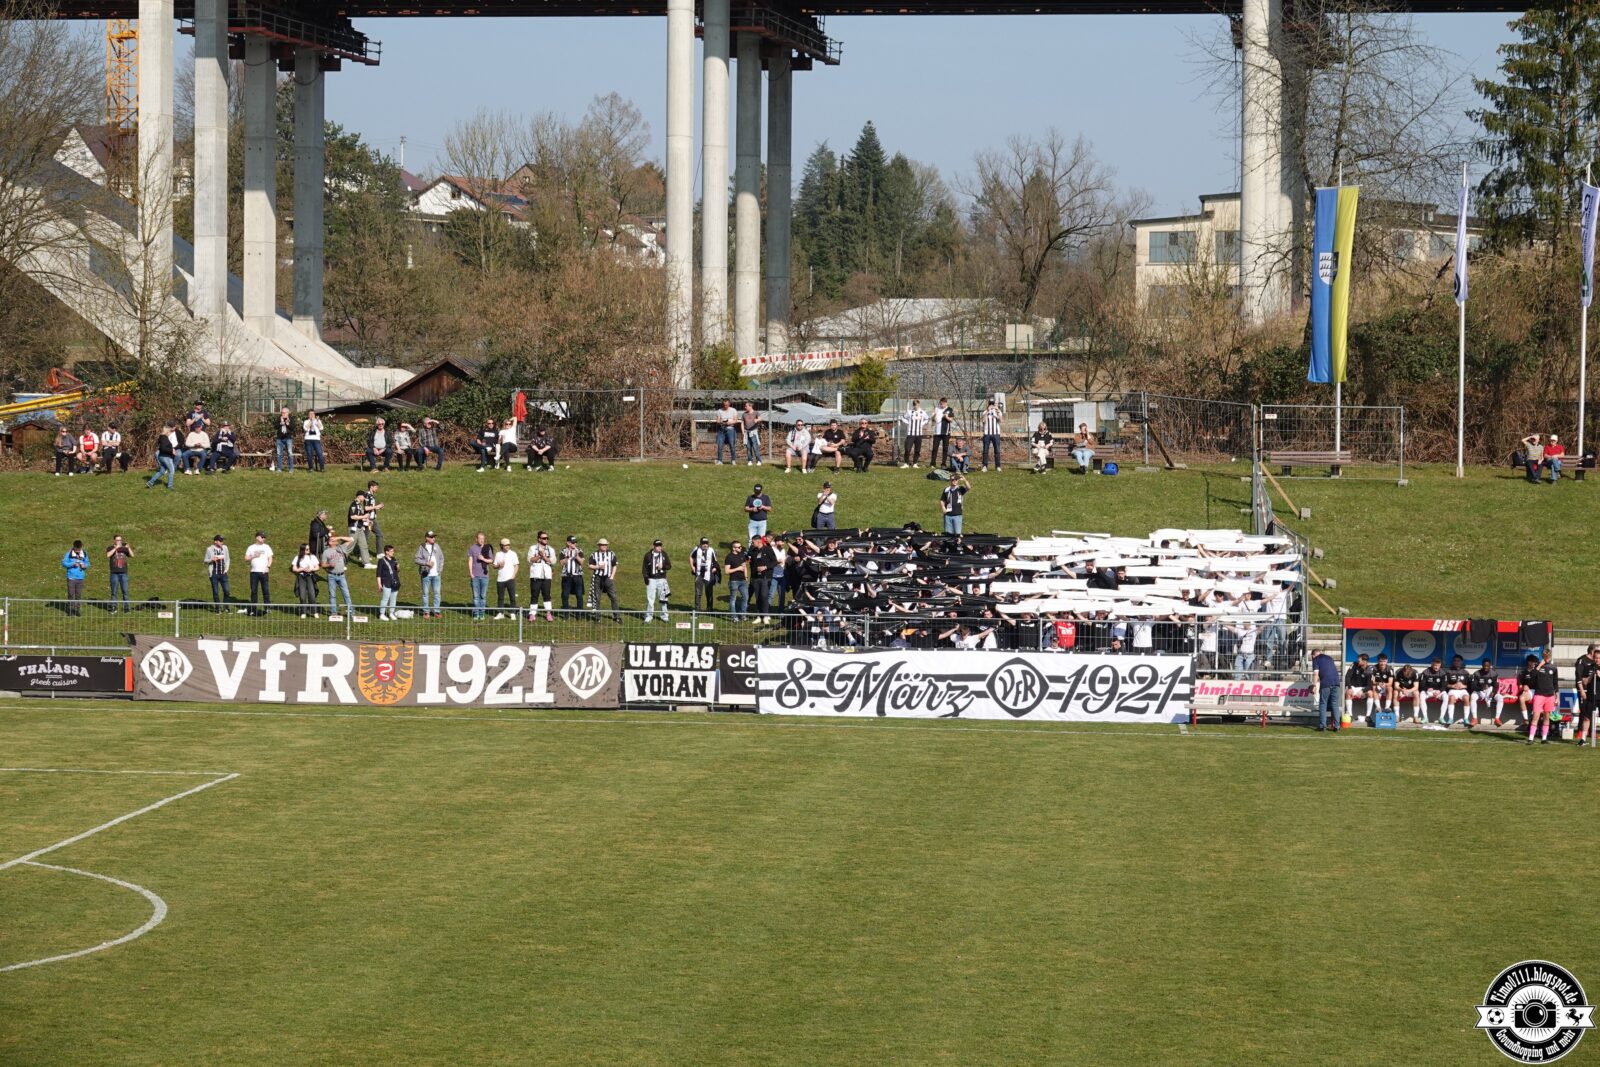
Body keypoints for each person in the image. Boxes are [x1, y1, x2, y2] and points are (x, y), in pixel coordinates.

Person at [1528, 648, 1560, 744]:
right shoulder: (1538, 666)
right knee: (1536, 716)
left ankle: (1544, 738)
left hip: (1550, 695)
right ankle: (1530, 738)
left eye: (1548, 655)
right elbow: (1531, 677)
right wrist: (1539, 666)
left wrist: (1557, 696)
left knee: (1547, 717)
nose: (1546, 657)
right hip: (1539, 694)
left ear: (1550, 656)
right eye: (1545, 655)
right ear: (1542, 656)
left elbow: (1555, 683)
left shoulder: (1553, 668)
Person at [1496, 654, 1538, 727]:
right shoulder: (1522, 673)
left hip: (1538, 691)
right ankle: (1526, 720)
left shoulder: (1538, 672)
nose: (1535, 663)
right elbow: (1520, 686)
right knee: (1521, 698)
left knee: (1540, 700)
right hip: (1528, 692)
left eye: (1535, 662)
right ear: (1529, 662)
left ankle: (1536, 721)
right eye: (1533, 662)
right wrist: (1524, 687)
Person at [321, 534, 356, 618]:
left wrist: (339, 537)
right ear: (329, 543)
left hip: (341, 575)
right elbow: (322, 564)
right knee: (332, 595)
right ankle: (334, 613)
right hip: (331, 575)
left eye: (335, 539)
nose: (335, 541)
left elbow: (351, 540)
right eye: (332, 540)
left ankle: (351, 613)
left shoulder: (341, 547)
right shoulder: (326, 552)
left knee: (346, 594)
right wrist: (329, 565)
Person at [525, 531, 556, 621]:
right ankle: (532, 614)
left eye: (547, 538)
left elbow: (553, 561)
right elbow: (530, 560)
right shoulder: (533, 548)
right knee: (534, 595)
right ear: (539, 539)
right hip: (536, 575)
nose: (546, 540)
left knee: (547, 595)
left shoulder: (551, 549)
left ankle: (549, 613)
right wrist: (539, 556)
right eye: (544, 538)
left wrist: (544, 557)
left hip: (546, 576)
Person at [589, 537, 621, 621]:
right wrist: (598, 566)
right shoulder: (594, 554)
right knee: (597, 597)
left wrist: (612, 576)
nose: (604, 546)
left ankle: (617, 616)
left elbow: (614, 565)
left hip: (608, 578)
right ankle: (597, 617)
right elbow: (590, 565)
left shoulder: (611, 553)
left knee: (613, 597)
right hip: (598, 578)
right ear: (599, 545)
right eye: (602, 545)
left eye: (605, 545)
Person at [415, 531, 444, 618]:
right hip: (426, 575)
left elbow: (442, 558)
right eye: (431, 537)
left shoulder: (437, 546)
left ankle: (437, 611)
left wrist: (440, 570)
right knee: (425, 593)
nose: (433, 538)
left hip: (436, 575)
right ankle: (426, 612)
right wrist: (426, 563)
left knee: (437, 593)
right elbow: (416, 559)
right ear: (426, 538)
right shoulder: (422, 547)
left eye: (434, 537)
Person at [244, 531, 274, 617]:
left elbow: (270, 558)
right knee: (254, 591)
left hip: (264, 572)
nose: (263, 538)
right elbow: (246, 558)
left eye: (264, 537)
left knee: (266, 590)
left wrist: (268, 567)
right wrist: (254, 556)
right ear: (257, 537)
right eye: (262, 537)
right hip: (254, 572)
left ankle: (267, 608)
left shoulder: (267, 547)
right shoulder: (251, 547)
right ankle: (253, 608)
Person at [1575, 645, 1600, 747]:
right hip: (1591, 696)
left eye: (1599, 658)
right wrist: (1590, 676)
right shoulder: (1590, 667)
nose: (1597, 660)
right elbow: (1583, 681)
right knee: (1587, 718)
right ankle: (1583, 739)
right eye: (1595, 658)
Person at [642, 538, 672, 622]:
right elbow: (644, 568)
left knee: (663, 598)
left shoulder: (664, 554)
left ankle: (664, 616)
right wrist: (646, 579)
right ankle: (649, 616)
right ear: (654, 546)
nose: (659, 548)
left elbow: (669, 566)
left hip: (662, 579)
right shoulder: (648, 555)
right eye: (657, 546)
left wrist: (663, 567)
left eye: (660, 546)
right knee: (650, 598)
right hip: (651, 579)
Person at [1312, 648, 1340, 731]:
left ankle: (1322, 726)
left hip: (1326, 684)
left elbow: (1315, 673)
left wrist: (1314, 685)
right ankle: (1337, 726)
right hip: (1336, 683)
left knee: (1323, 704)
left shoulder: (1316, 659)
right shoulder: (1329, 658)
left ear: (1313, 655)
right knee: (1335, 705)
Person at [291, 542, 321, 618]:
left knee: (312, 595)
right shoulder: (297, 557)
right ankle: (303, 612)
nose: (308, 550)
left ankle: (314, 611)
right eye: (307, 549)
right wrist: (302, 569)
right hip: (301, 577)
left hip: (310, 576)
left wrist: (311, 569)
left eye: (309, 548)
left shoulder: (312, 557)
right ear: (303, 549)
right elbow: (294, 568)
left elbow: (317, 567)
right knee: (302, 596)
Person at [690, 537, 720, 611]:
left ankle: (709, 609)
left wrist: (715, 568)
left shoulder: (711, 550)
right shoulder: (697, 549)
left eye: (706, 543)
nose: (705, 545)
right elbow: (691, 557)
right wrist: (692, 567)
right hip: (699, 574)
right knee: (698, 593)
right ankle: (697, 610)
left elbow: (715, 561)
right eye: (703, 544)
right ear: (700, 544)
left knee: (709, 592)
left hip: (708, 574)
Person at [1441, 654, 1472, 727]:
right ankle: (1450, 718)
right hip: (1453, 690)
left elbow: (1470, 685)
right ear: (1453, 662)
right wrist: (1452, 685)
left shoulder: (1465, 672)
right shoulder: (1449, 672)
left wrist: (1463, 686)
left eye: (1458, 661)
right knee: (1451, 698)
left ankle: (1466, 719)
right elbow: (1445, 684)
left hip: (1462, 690)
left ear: (1461, 662)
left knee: (1466, 698)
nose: (1456, 662)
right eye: (1455, 661)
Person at [468, 533, 494, 620]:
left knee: (483, 596)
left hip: (484, 576)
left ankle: (482, 613)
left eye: (483, 538)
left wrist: (483, 559)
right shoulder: (472, 548)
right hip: (475, 576)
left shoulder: (487, 548)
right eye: (480, 538)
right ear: (476, 539)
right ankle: (476, 613)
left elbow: (491, 560)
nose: (482, 540)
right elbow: (470, 561)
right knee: (476, 596)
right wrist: (471, 573)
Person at [492, 538, 519, 618]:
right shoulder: (498, 554)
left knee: (512, 597)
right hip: (500, 579)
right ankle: (501, 613)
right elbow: (494, 566)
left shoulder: (513, 553)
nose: (507, 546)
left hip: (510, 579)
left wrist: (513, 576)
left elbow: (516, 565)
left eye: (508, 545)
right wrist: (498, 566)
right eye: (505, 545)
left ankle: (512, 613)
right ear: (501, 546)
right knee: (500, 597)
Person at [347, 490, 375, 568]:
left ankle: (366, 563)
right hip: (354, 529)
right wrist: (364, 517)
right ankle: (340, 561)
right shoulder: (354, 505)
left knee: (364, 545)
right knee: (350, 547)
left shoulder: (359, 505)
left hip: (360, 528)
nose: (364, 498)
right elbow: (352, 517)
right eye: (363, 496)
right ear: (359, 496)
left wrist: (367, 520)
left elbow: (359, 518)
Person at [1469, 658, 1500, 727]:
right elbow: (1473, 687)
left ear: (1490, 666)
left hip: (1490, 693)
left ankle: (1497, 719)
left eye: (1487, 666)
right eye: (1484, 666)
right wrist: (1481, 688)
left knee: (1500, 698)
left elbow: (1496, 686)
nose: (1486, 667)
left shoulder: (1494, 674)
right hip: (1480, 692)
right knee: (1473, 696)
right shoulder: (1477, 673)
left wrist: (1493, 692)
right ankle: (1475, 719)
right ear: (1482, 665)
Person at [145, 423, 178, 490]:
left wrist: (171, 449)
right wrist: (171, 451)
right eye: (170, 432)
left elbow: (162, 448)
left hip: (162, 456)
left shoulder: (162, 437)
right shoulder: (164, 438)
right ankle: (170, 486)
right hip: (166, 457)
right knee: (172, 470)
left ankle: (150, 482)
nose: (170, 433)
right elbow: (163, 448)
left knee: (162, 471)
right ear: (167, 432)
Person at [1417, 657, 1448, 724]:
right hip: (1428, 691)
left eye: (1438, 666)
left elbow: (1444, 685)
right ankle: (1425, 717)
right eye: (1435, 665)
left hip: (1438, 692)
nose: (1436, 667)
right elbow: (1422, 684)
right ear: (1431, 664)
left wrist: (1439, 691)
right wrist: (1427, 688)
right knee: (1422, 695)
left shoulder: (1443, 673)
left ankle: (1441, 718)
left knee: (1446, 696)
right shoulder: (1425, 672)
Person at [105, 535, 132, 612]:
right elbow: (108, 555)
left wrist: (128, 548)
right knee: (114, 592)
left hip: (124, 573)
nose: (119, 541)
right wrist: (116, 548)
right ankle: (113, 607)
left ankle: (126, 608)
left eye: (120, 540)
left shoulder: (124, 549)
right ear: (114, 540)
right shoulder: (110, 548)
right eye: (117, 540)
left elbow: (132, 555)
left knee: (125, 591)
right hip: (114, 573)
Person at [61, 539, 88, 616]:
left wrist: (84, 566)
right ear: (74, 547)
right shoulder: (68, 553)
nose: (78, 551)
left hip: (80, 578)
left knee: (78, 595)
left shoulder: (84, 553)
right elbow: (64, 563)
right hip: (71, 578)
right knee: (71, 594)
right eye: (77, 549)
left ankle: (77, 610)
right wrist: (72, 564)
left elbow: (87, 563)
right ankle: (70, 610)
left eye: (79, 549)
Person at [204, 534, 231, 612]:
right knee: (215, 592)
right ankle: (217, 607)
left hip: (223, 573)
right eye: (220, 541)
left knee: (227, 591)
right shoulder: (209, 549)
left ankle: (226, 607)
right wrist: (211, 559)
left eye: (222, 541)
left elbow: (228, 559)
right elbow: (205, 560)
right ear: (215, 541)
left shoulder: (225, 548)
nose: (222, 542)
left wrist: (226, 569)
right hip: (214, 574)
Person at [724, 538, 748, 619]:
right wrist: (737, 569)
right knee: (733, 599)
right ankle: (734, 616)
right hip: (734, 581)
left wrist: (746, 577)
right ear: (733, 548)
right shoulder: (729, 557)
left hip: (743, 580)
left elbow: (745, 567)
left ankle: (743, 614)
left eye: (741, 547)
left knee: (745, 597)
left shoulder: (742, 555)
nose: (741, 548)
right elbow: (726, 571)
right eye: (739, 547)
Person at [376, 544, 402, 621]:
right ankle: (382, 614)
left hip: (395, 582)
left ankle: (391, 613)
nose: (393, 552)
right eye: (391, 551)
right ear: (386, 552)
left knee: (393, 599)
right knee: (385, 599)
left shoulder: (394, 559)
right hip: (386, 583)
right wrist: (379, 584)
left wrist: (398, 568)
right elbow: (378, 574)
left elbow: (397, 571)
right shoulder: (381, 561)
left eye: (393, 551)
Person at [979, 398, 1003, 472]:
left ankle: (998, 466)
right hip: (987, 434)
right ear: (988, 404)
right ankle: (985, 466)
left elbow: (1001, 420)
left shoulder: (998, 412)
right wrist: (988, 411)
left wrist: (997, 411)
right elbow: (983, 420)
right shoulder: (985, 412)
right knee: (985, 450)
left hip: (996, 434)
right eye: (990, 403)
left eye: (993, 403)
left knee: (997, 450)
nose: (991, 405)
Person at [929, 397, 953, 468]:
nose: (942, 405)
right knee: (934, 448)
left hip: (946, 433)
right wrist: (934, 416)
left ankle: (943, 464)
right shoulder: (937, 409)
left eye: (943, 404)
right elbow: (932, 419)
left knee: (945, 449)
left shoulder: (949, 409)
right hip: (937, 432)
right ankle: (932, 463)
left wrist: (946, 417)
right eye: (941, 404)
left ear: (946, 403)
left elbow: (951, 420)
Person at [714, 399, 739, 464]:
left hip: (730, 429)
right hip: (721, 429)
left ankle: (733, 460)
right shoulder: (719, 411)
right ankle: (720, 461)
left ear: (729, 404)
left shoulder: (733, 410)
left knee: (731, 444)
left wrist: (729, 423)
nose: (725, 406)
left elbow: (736, 420)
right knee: (720, 445)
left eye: (727, 405)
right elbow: (717, 421)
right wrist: (721, 422)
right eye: (724, 405)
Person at [273, 407, 296, 473]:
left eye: (284, 412)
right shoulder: (279, 418)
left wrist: (288, 423)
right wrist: (281, 423)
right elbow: (275, 426)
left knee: (290, 453)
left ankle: (290, 469)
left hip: (288, 438)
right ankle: (279, 469)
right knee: (279, 454)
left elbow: (293, 428)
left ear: (287, 413)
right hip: (279, 438)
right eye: (282, 412)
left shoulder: (291, 419)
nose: (282, 414)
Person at [741, 401, 763, 466]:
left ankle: (758, 461)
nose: (745, 407)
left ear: (750, 406)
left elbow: (761, 418)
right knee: (748, 447)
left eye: (746, 406)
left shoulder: (756, 413)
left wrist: (757, 420)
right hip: (746, 432)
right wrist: (742, 432)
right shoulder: (744, 414)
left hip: (753, 432)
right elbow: (742, 423)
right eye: (745, 406)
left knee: (755, 447)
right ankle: (750, 460)